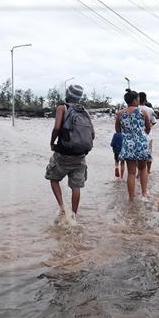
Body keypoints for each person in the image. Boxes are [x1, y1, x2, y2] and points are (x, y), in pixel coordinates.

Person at [45, 84, 95, 221]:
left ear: (68, 94)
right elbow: (92, 133)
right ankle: (73, 215)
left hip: (64, 154)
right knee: (76, 186)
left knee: (53, 178)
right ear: (79, 97)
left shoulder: (62, 107)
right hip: (80, 156)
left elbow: (56, 127)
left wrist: (52, 142)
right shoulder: (84, 111)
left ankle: (62, 209)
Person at [116, 90, 152, 200]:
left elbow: (117, 130)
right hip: (141, 144)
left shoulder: (120, 114)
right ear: (135, 100)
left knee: (131, 173)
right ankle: (144, 194)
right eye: (138, 99)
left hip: (128, 145)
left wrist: (127, 133)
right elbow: (148, 129)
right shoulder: (142, 112)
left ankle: (131, 198)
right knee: (143, 169)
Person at [138, 92, 157, 172]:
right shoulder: (150, 110)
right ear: (145, 100)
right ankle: (148, 171)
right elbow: (154, 121)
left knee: (138, 155)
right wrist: (149, 126)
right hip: (148, 135)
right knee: (149, 154)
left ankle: (139, 172)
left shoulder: (134, 109)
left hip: (137, 135)